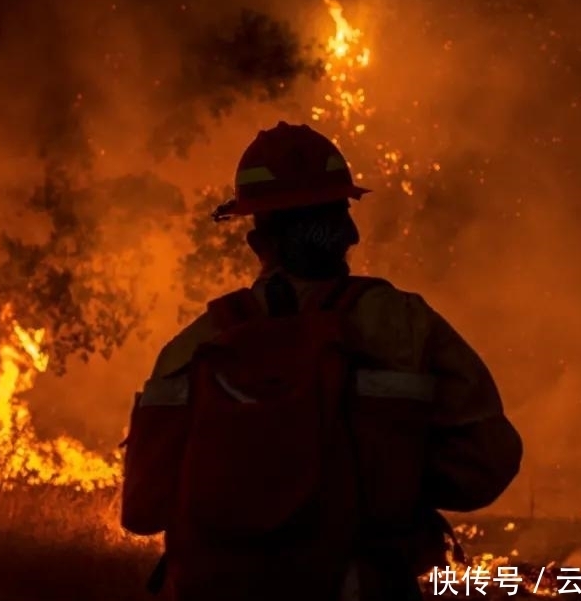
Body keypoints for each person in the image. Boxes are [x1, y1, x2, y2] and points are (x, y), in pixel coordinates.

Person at [120, 122, 523, 600]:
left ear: (256, 241)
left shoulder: (196, 345)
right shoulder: (404, 323)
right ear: (346, 232)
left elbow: (143, 508)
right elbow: (489, 463)